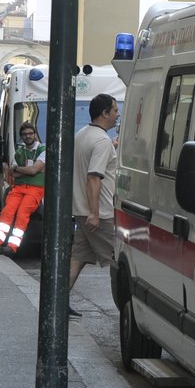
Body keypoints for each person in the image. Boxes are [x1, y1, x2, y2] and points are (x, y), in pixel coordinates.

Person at [66, 93, 121, 317]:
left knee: (79, 257)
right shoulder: (101, 141)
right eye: (115, 110)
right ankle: (125, 310)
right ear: (104, 113)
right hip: (100, 213)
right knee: (118, 261)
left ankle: (58, 300)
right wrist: (95, 213)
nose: (118, 114)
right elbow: (94, 177)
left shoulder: (84, 134)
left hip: (81, 209)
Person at [0, 121, 46, 255]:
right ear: (21, 137)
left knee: (22, 213)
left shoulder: (43, 151)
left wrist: (20, 169)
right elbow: (12, 173)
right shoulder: (20, 152)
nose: (28, 136)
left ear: (35, 135)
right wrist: (28, 170)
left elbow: (33, 170)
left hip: (35, 189)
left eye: (30, 133)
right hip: (19, 188)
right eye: (24, 134)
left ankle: (12, 247)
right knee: (7, 212)